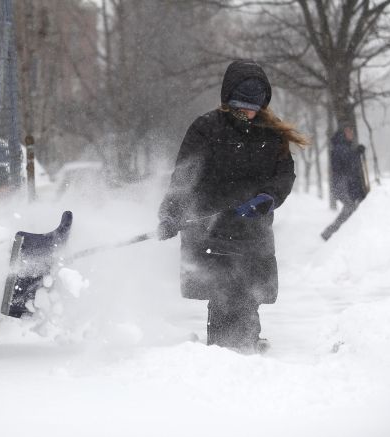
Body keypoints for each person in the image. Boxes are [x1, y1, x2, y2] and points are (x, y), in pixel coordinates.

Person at [157, 59, 308, 354]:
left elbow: (283, 175)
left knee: (249, 291)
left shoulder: (272, 135)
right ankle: (228, 352)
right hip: (210, 230)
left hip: (253, 229)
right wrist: (170, 215)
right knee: (224, 291)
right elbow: (184, 177)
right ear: (228, 101)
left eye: (254, 106)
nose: (248, 113)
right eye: (241, 106)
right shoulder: (206, 129)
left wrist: (268, 197)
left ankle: (244, 347)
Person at [320, 126, 368, 241]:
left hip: (343, 184)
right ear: (343, 134)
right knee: (350, 207)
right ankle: (330, 233)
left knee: (351, 208)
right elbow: (348, 163)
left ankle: (337, 234)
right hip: (340, 184)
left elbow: (350, 166)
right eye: (348, 131)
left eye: (352, 131)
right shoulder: (340, 147)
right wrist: (357, 153)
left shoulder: (344, 146)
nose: (351, 134)